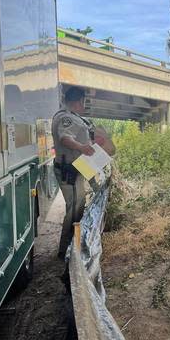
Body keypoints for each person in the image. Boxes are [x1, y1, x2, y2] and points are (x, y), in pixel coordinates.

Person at [51, 86, 115, 259]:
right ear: (78, 101)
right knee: (74, 210)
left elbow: (80, 137)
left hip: (79, 167)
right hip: (69, 171)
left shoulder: (75, 117)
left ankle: (74, 244)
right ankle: (65, 249)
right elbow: (65, 138)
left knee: (80, 206)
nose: (84, 105)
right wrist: (82, 147)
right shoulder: (66, 118)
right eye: (83, 101)